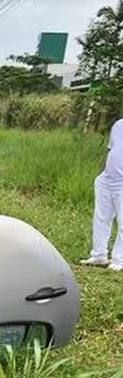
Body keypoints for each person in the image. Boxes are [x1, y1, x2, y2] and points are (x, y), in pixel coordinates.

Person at [81, 116, 123, 272]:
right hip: (107, 179)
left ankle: (119, 259)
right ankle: (99, 255)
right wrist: (101, 174)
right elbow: (110, 151)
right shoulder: (118, 124)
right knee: (101, 218)